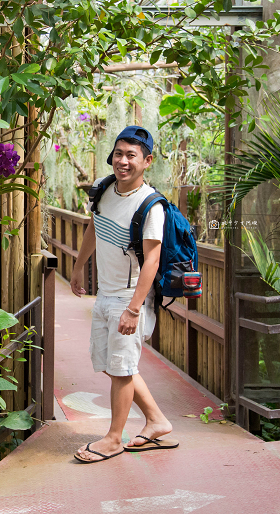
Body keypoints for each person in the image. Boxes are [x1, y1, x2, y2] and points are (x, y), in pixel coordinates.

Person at [69, 126, 178, 463]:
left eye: (132, 155)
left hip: (129, 299)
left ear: (147, 161)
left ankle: (114, 438)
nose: (123, 161)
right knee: (115, 366)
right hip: (105, 294)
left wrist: (133, 309)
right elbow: (94, 228)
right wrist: (77, 267)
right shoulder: (104, 190)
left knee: (121, 369)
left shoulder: (150, 206)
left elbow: (153, 260)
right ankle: (157, 421)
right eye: (119, 153)